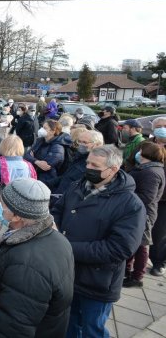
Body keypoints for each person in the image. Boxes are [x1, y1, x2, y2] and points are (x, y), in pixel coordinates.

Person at [51, 145, 146, 338]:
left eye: (95, 165)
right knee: (69, 325)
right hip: (68, 275)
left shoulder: (131, 204)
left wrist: (65, 247)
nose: (88, 168)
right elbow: (58, 211)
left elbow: (119, 248)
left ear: (113, 170)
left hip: (97, 282)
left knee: (93, 330)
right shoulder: (78, 185)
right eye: (88, 162)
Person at [0, 178, 74, 337]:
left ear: (16, 216)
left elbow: (11, 330)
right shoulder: (56, 240)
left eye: (2, 204)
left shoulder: (28, 267)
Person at [124, 142, 166, 288]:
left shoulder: (151, 172)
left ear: (147, 154)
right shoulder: (147, 169)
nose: (137, 152)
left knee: (142, 245)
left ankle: (137, 277)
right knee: (134, 242)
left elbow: (147, 197)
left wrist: (126, 195)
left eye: (140, 151)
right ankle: (127, 271)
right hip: (140, 211)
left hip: (144, 213)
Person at [44, 130, 104, 196]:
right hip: (59, 195)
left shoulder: (98, 165)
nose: (81, 145)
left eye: (84, 142)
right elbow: (65, 176)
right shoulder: (78, 157)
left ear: (98, 144)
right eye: (79, 141)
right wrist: (45, 184)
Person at [149, 117, 166, 276]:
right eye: (159, 126)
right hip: (149, 195)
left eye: (164, 126)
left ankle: (159, 262)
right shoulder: (147, 145)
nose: (162, 129)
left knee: (160, 232)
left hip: (163, 198)